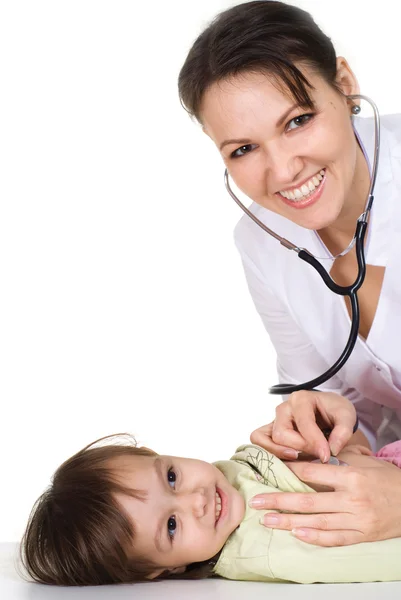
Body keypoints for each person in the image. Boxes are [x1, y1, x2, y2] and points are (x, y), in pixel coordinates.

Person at [178, 0, 401, 546]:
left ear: (344, 84)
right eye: (244, 149)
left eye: (298, 121)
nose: (282, 171)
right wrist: (327, 428)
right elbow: (351, 406)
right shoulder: (259, 240)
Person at [20, 434, 401, 586]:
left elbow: (352, 454)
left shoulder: (232, 470)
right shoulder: (272, 548)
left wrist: (342, 439)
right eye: (171, 526)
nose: (196, 500)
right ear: (166, 569)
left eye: (171, 477)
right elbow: (382, 557)